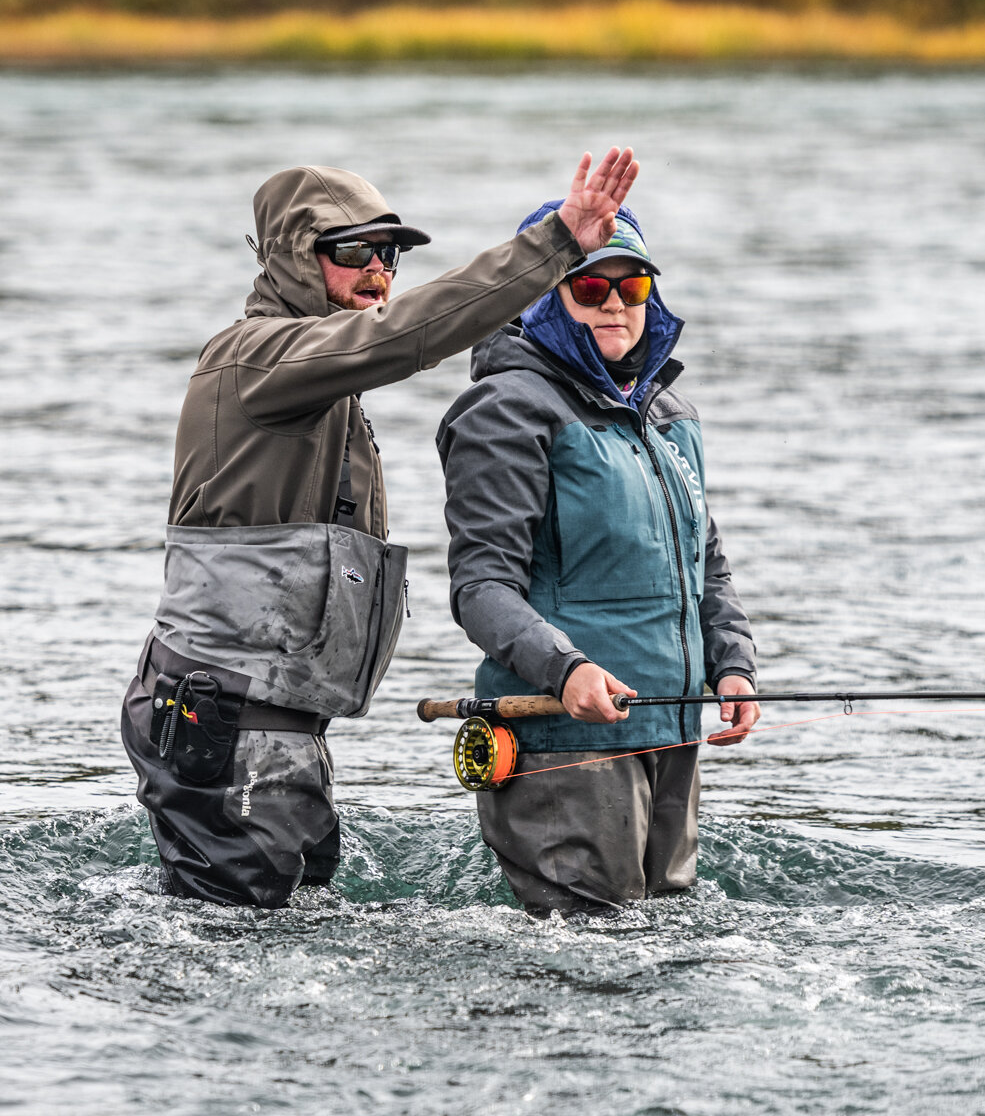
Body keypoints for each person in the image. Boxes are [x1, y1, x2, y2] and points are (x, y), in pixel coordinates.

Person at [123, 152, 641, 908]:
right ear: (296, 260)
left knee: (281, 934)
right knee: (239, 951)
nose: (377, 270)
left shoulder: (320, 379)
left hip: (281, 730)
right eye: (352, 251)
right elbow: (408, 333)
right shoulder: (256, 357)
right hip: (226, 730)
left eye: (389, 253)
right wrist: (557, 243)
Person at [436, 202, 760, 915]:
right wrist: (567, 667)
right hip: (562, 742)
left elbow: (707, 564)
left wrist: (732, 664)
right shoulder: (506, 409)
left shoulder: (672, 414)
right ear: (543, 297)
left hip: (671, 731)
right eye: (589, 287)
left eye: (633, 286)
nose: (614, 301)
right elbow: (481, 585)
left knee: (661, 948)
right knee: (589, 960)